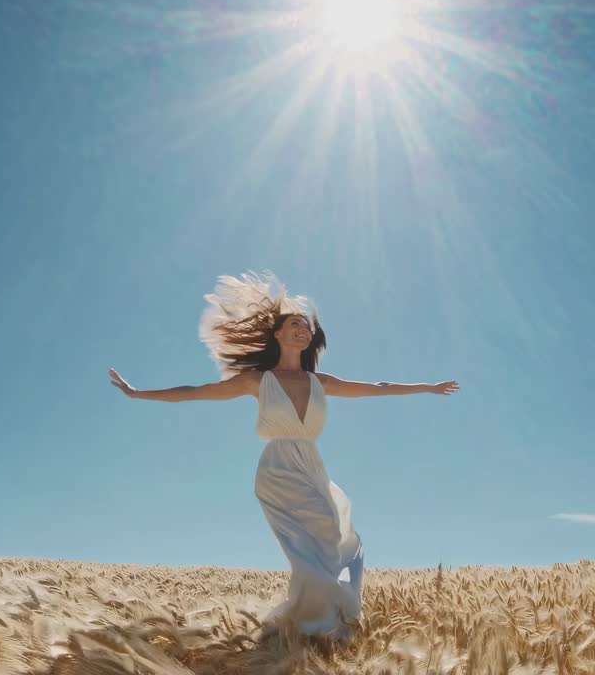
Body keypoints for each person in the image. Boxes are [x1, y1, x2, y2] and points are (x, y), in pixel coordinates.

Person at [108, 271, 459, 641]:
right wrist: (138, 393)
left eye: (305, 326)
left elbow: (378, 388)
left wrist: (428, 387)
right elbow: (194, 391)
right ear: (278, 334)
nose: (302, 330)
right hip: (278, 468)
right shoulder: (257, 380)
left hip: (312, 463)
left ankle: (314, 623)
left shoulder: (320, 382)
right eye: (294, 324)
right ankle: (319, 624)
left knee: (332, 537)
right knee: (322, 530)